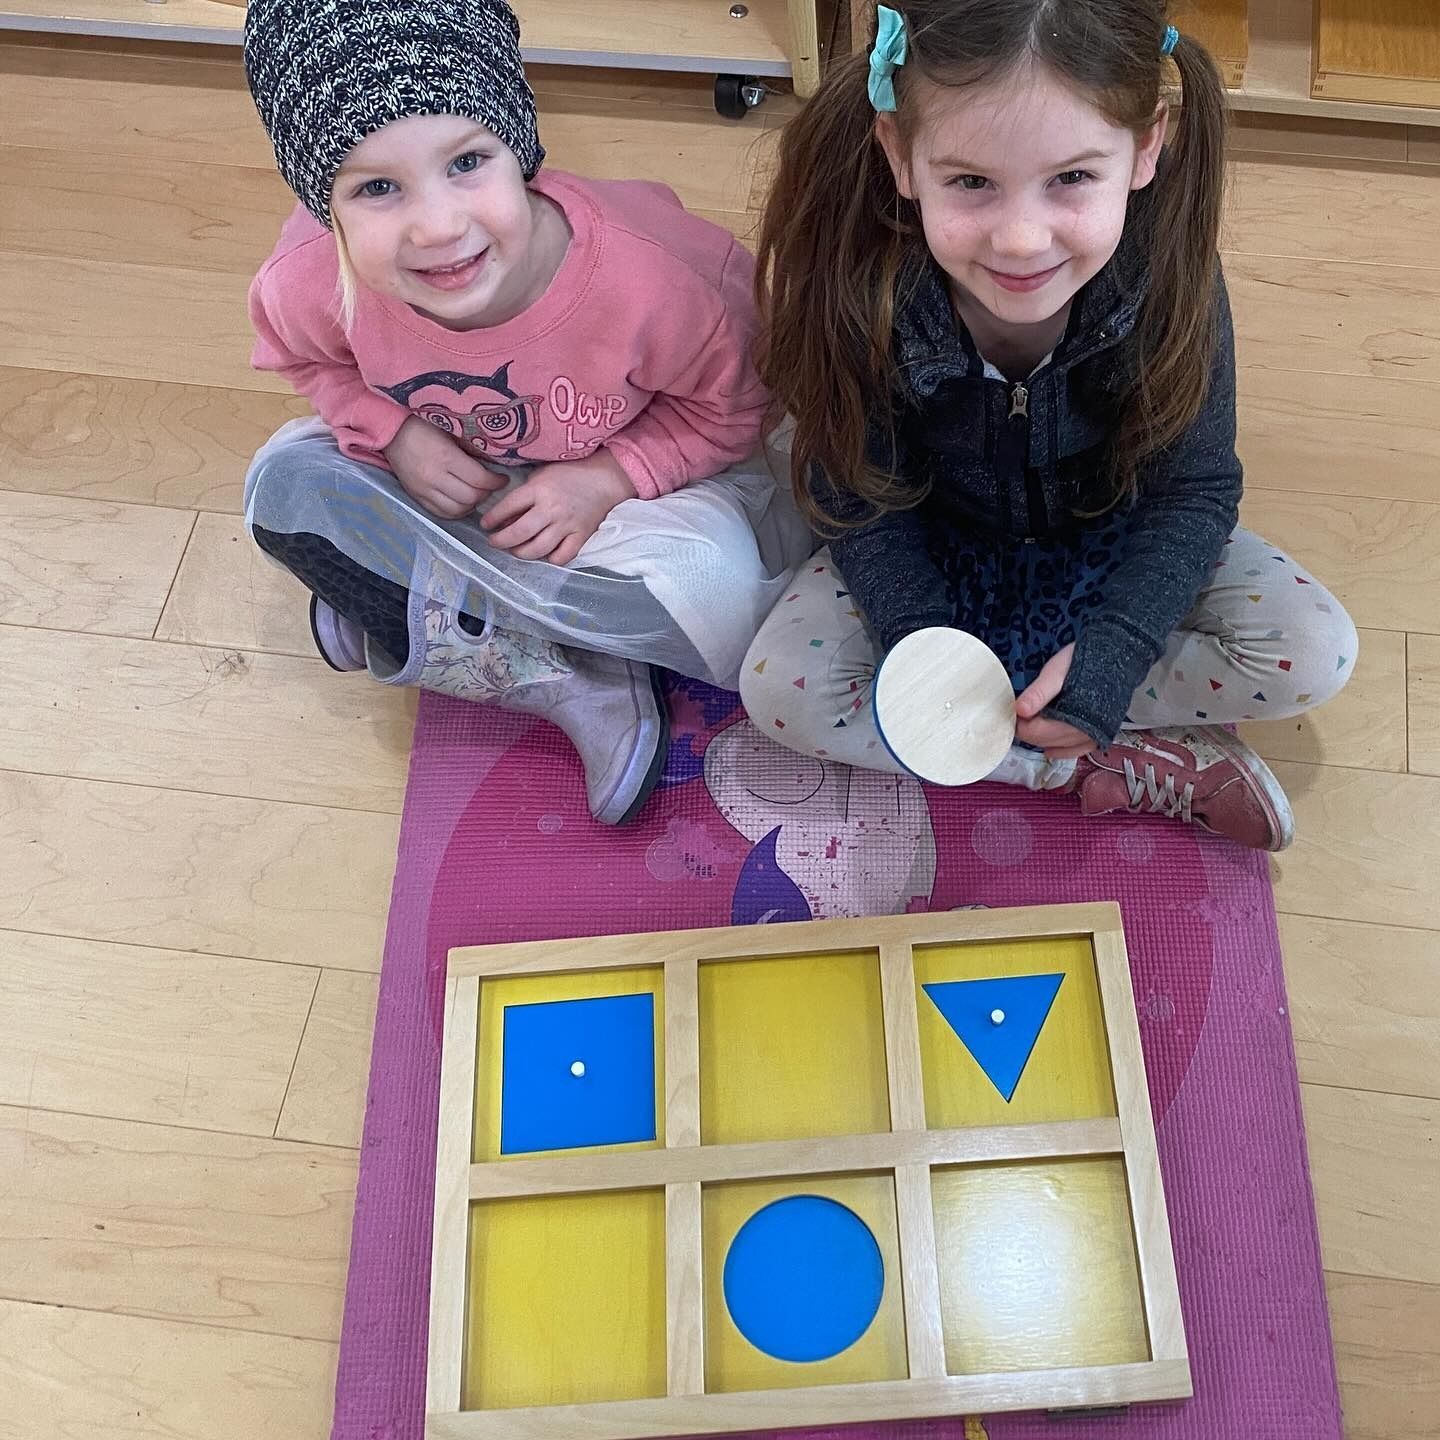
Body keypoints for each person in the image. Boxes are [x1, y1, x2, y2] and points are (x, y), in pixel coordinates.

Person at [741, 0, 1356, 851]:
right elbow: (848, 481)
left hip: (1107, 536)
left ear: (1146, 149)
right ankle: (1077, 762)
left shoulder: (1171, 273)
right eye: (970, 182)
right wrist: (921, 640)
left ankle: (1051, 713)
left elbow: (1196, 486)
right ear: (899, 155)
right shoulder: (855, 277)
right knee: (780, 690)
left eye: (1071, 178)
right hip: (936, 541)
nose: (1023, 241)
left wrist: (1115, 654)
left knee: (1315, 648)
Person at [240, 0, 810, 825]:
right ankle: (565, 673)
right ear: (322, 202)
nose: (438, 227)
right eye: (376, 188)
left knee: (715, 589)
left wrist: (608, 478)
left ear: (518, 146)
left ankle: (418, 604)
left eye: (467, 162)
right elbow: (305, 360)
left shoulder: (664, 281)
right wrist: (393, 433)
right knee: (283, 483)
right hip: (458, 484)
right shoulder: (307, 278)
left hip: (629, 494)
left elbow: (738, 413)